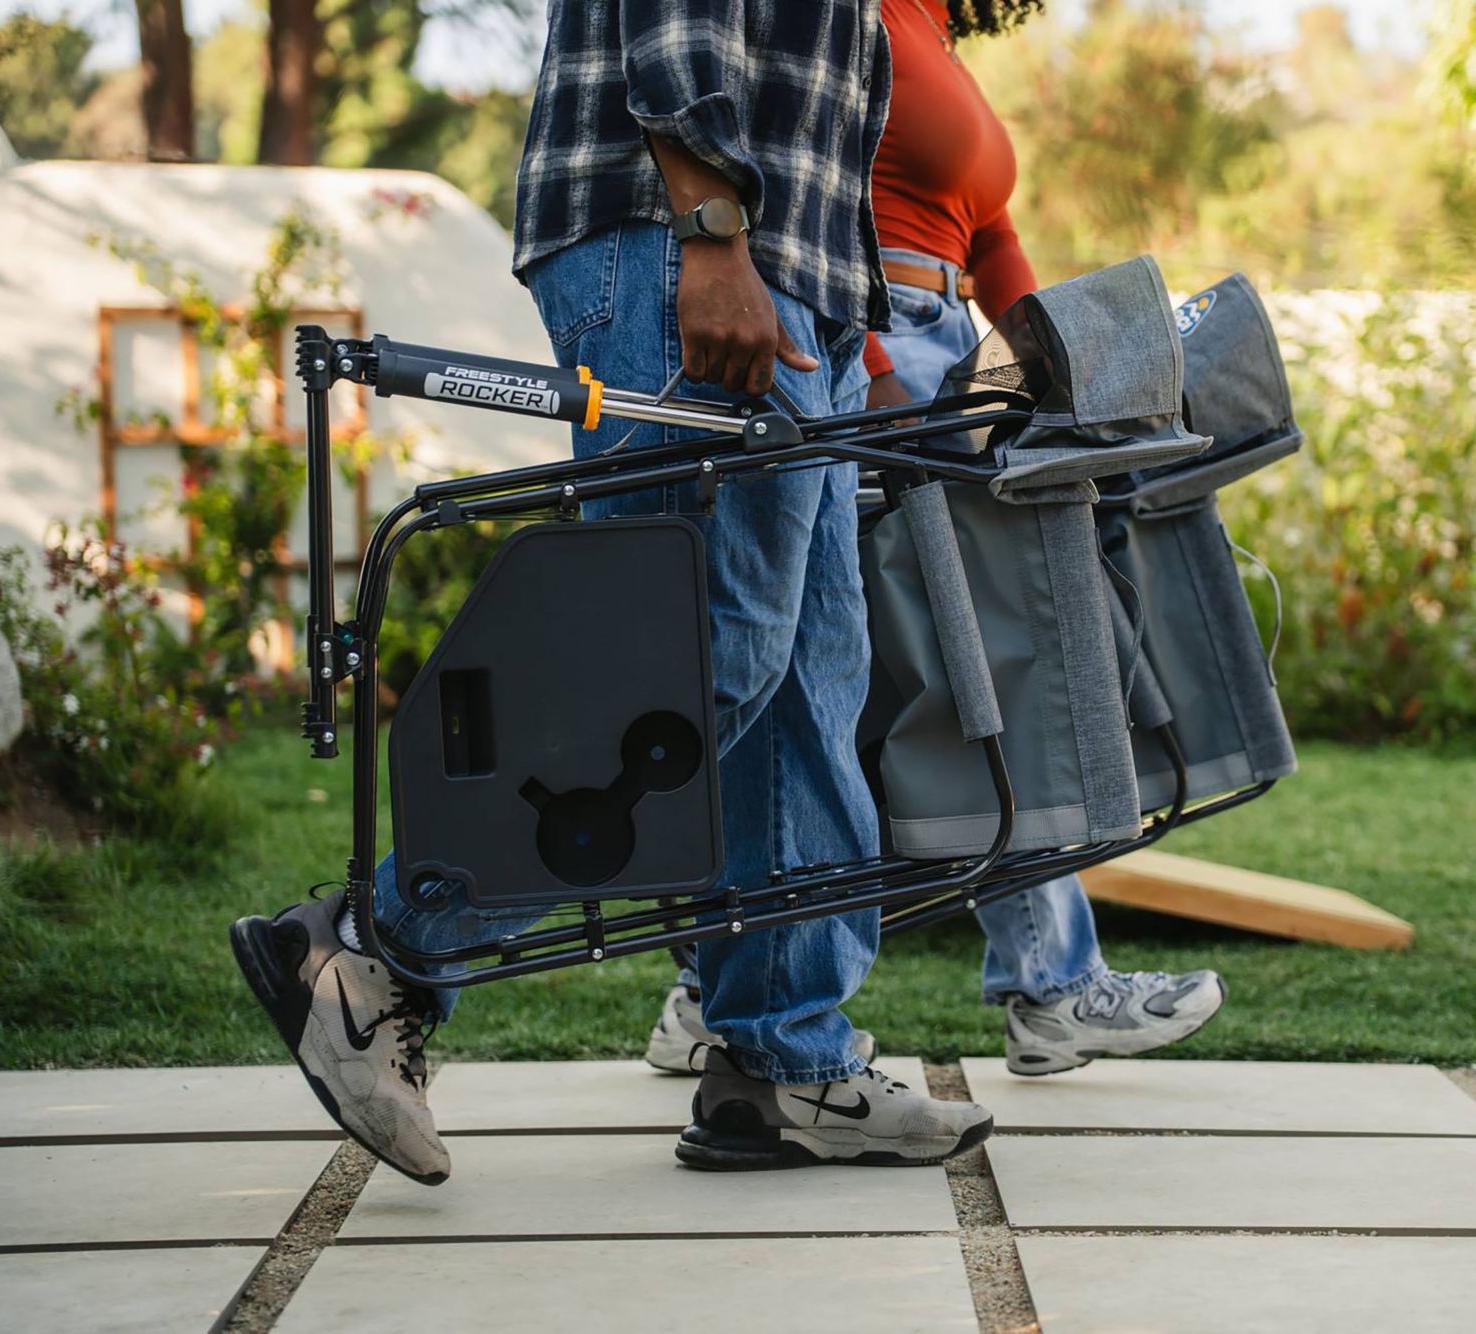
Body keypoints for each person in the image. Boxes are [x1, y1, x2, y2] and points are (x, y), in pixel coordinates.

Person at [229, 0, 994, 1184]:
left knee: (805, 685)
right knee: (688, 664)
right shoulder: (702, 236)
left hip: (800, 272)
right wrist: (712, 229)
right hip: (685, 242)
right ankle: (373, 950)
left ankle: (783, 1059)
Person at [643, 0, 1226, 1084]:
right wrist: (860, 362)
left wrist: (1065, 365)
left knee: (908, 674)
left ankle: (716, 988)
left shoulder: (930, 28)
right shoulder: (851, 17)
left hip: (947, 350)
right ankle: (1043, 985)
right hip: (874, 343)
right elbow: (816, 184)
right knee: (951, 665)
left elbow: (989, 236)